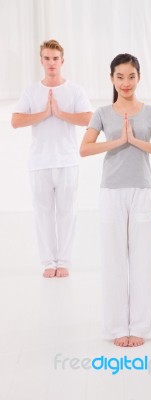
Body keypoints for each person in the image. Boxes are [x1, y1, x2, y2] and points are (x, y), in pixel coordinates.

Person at [80, 53, 151, 346]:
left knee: (142, 260)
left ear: (139, 77)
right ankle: (118, 327)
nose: (126, 82)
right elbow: (84, 149)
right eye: (119, 77)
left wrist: (134, 141)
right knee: (114, 259)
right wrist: (119, 141)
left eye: (131, 76)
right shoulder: (103, 113)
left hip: (142, 190)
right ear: (111, 79)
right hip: (112, 191)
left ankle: (142, 327)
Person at [11, 39, 93, 278]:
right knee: (43, 213)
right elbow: (16, 121)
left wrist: (60, 113)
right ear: (41, 61)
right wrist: (45, 113)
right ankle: (48, 262)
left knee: (67, 212)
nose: (51, 63)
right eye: (47, 58)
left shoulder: (75, 90)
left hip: (67, 160)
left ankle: (64, 261)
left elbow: (88, 118)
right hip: (39, 162)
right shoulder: (31, 91)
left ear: (62, 61)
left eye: (55, 58)